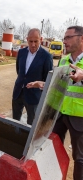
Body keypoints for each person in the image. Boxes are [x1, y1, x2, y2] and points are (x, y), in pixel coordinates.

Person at [52, 26, 83, 180]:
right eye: (64, 38)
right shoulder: (64, 60)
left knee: (80, 158)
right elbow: (58, 87)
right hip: (60, 114)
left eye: (68, 38)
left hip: (79, 117)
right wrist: (46, 85)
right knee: (52, 149)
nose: (64, 41)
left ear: (82, 38)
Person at [12, 28, 53, 125]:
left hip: (33, 96)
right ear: (27, 39)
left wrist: (38, 85)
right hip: (18, 92)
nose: (33, 44)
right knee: (14, 121)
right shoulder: (21, 52)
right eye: (30, 41)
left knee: (31, 123)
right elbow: (19, 71)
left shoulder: (46, 56)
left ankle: (27, 140)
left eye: (36, 41)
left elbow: (47, 78)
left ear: (41, 39)